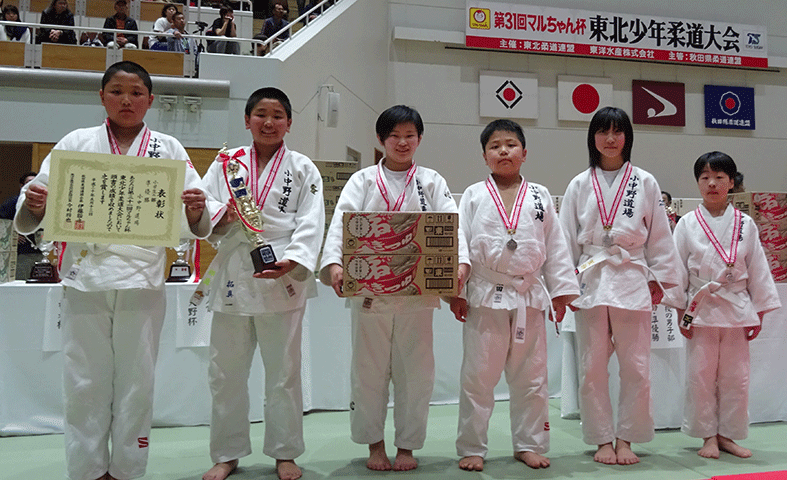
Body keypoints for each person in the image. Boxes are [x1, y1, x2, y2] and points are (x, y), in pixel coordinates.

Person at [13, 61, 210, 480]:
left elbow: (197, 212)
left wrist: (196, 209)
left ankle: (127, 468)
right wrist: (36, 205)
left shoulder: (168, 148)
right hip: (87, 275)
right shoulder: (76, 142)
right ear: (101, 97)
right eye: (117, 91)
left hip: (143, 278)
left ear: (151, 101)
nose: (126, 100)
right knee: (85, 379)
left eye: (136, 92)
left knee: (138, 380)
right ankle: (87, 469)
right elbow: (40, 201)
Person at [319, 105, 469, 472]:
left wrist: (460, 265)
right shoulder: (364, 180)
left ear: (419, 139)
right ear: (381, 140)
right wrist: (335, 264)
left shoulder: (431, 181)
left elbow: (453, 227)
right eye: (394, 136)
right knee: (368, 371)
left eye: (410, 136)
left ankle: (407, 445)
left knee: (416, 373)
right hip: (371, 293)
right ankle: (374, 444)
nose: (402, 143)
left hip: (417, 295)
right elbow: (343, 222)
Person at [199, 87, 324, 480]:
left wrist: (295, 259)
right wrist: (224, 215)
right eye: (260, 114)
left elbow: (311, 219)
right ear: (247, 119)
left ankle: (285, 452)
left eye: (277, 115)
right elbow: (203, 203)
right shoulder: (226, 163)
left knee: (284, 373)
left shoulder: (303, 167)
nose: (268, 122)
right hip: (236, 269)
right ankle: (227, 452)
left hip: (282, 274)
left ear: (289, 122)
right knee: (225, 373)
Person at [451, 119, 579, 472]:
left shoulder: (540, 196)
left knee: (532, 378)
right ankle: (472, 446)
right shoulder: (473, 196)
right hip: (484, 293)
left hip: (528, 295)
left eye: (510, 144)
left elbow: (555, 245)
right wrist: (456, 292)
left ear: (524, 153)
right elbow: (461, 246)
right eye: (495, 146)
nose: (503, 151)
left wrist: (561, 290)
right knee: (478, 377)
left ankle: (530, 443)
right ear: (484, 156)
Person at [558, 106, 681, 465]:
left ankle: (626, 437)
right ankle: (600, 439)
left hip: (631, 276)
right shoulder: (579, 184)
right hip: (591, 279)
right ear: (592, 138)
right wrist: (564, 287)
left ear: (628, 137)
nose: (610, 139)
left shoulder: (645, 182)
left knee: (637, 366)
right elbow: (565, 240)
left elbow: (660, 235)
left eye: (617, 132)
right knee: (592, 366)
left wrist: (661, 280)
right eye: (602, 132)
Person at [669, 151, 780, 460]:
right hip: (700, 309)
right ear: (698, 184)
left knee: (736, 377)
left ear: (732, 182)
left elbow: (757, 267)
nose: (712, 183)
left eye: (719, 177)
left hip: (736, 308)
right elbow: (677, 270)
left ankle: (728, 435)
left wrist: (757, 312)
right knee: (700, 376)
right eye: (705, 178)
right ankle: (707, 435)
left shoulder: (746, 224)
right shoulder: (687, 223)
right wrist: (682, 314)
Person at [0, 172, 42, 280]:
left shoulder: (44, 202)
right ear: (22, 185)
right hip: (21, 253)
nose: (32, 185)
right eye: (28, 182)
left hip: (42, 252)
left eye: (35, 182)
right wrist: (12, 235)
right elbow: (2, 222)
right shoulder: (12, 203)